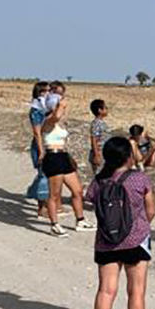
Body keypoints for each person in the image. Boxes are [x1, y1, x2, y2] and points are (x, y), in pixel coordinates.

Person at [84, 136, 155, 309]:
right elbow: (151, 210)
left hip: (106, 241)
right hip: (136, 241)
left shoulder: (99, 181)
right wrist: (140, 226)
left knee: (106, 290)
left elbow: (91, 200)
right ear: (128, 156)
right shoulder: (140, 179)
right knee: (136, 291)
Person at [41, 93, 91, 235]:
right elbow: (56, 116)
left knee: (77, 190)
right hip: (53, 157)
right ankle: (54, 225)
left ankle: (80, 220)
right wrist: (61, 104)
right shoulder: (48, 120)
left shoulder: (59, 122)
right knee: (54, 194)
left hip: (63, 156)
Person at [26, 81, 51, 218]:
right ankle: (42, 208)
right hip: (41, 145)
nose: (48, 94)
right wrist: (41, 151)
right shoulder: (36, 110)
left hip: (49, 143)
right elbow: (37, 133)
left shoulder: (46, 108)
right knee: (43, 176)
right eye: (45, 91)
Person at [88, 99, 110, 171]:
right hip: (99, 153)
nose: (107, 109)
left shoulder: (101, 123)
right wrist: (96, 155)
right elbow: (94, 139)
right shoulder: (97, 123)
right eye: (105, 108)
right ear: (100, 110)